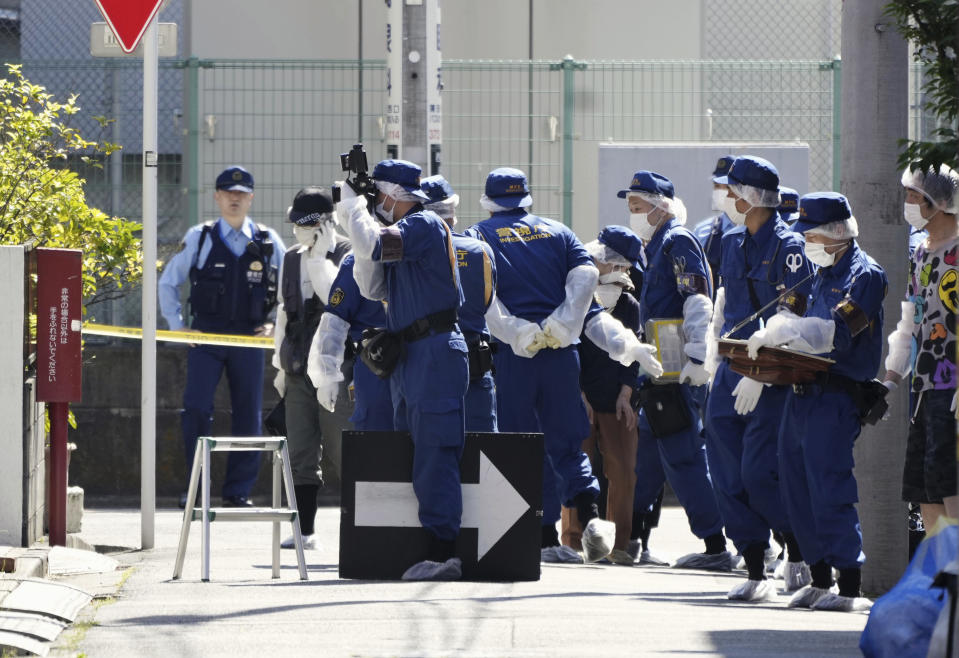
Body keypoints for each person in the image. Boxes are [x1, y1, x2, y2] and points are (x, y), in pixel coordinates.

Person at [465, 167, 662, 565]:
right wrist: (627, 345)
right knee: (568, 445)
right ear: (527, 197)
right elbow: (587, 291)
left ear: (488, 201)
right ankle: (589, 518)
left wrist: (518, 331)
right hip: (561, 355)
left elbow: (481, 299)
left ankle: (536, 535)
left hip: (516, 358)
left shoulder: (476, 238)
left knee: (520, 444)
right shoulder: (559, 233)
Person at [748, 191, 887, 612]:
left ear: (836, 233)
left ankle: (849, 583)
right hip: (801, 389)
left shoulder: (866, 275)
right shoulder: (817, 270)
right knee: (795, 485)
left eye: (811, 235)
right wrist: (773, 329)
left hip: (836, 394)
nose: (806, 243)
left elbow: (837, 333)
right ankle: (820, 576)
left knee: (830, 485)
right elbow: (790, 310)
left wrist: (785, 333)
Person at [335, 159, 468, 581]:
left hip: (433, 351)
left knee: (434, 450)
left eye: (378, 195)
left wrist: (356, 207)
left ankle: (443, 549)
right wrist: (361, 212)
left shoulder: (424, 225)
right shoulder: (400, 236)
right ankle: (418, 547)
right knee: (409, 449)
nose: (376, 203)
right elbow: (372, 284)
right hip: (409, 352)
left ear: (393, 195)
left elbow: (374, 245)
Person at [702, 156, 814, 599]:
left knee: (759, 472)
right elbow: (725, 306)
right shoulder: (731, 241)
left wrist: (763, 372)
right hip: (732, 367)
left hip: (771, 371)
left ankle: (798, 546)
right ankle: (752, 566)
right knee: (724, 470)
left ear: (751, 198)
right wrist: (714, 362)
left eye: (732, 191)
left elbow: (794, 313)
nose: (726, 198)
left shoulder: (790, 246)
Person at [620, 170, 732, 572]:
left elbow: (697, 300)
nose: (632, 213)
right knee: (648, 460)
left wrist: (699, 359)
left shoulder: (678, 240)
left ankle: (716, 544)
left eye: (638, 206)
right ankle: (631, 540)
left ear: (659, 206)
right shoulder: (659, 245)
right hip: (659, 369)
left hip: (676, 370)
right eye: (630, 206)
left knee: (684, 458)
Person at [158, 165, 286, 508]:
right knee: (196, 409)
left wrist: (276, 323)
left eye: (241, 194)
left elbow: (292, 288)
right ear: (217, 197)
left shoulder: (268, 240)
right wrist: (177, 325)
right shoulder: (200, 236)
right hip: (206, 339)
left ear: (251, 198)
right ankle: (196, 488)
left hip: (248, 339)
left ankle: (237, 492)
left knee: (249, 414)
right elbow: (168, 282)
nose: (235, 199)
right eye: (228, 193)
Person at [271, 187, 351, 549]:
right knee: (301, 450)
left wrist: (321, 258)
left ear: (324, 223)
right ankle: (304, 530)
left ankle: (359, 528)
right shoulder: (290, 258)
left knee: (344, 449)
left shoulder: (348, 254)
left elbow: (336, 299)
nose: (298, 232)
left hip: (337, 370)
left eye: (307, 225)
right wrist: (279, 366)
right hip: (298, 368)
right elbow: (283, 315)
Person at [562, 226, 644, 565]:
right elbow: (569, 347)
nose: (621, 275)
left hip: (616, 398)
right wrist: (577, 393)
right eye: (617, 268)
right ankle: (572, 542)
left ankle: (618, 546)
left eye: (625, 271)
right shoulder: (578, 294)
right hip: (581, 394)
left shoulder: (629, 305)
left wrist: (627, 393)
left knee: (623, 470)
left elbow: (633, 354)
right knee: (576, 466)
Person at [884, 164, 959, 532]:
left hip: (954, 386)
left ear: (938, 203)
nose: (908, 203)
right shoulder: (920, 252)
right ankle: (942, 577)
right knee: (925, 485)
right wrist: (892, 376)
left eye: (915, 196)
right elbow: (909, 320)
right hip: (925, 387)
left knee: (952, 482)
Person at [420, 175, 498, 431]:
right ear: (453, 211)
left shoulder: (411, 254)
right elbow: (488, 301)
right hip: (474, 360)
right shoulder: (480, 251)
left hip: (425, 364)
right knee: (483, 450)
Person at [692, 155, 736, 295]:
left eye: (726, 186)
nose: (720, 191)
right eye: (716, 186)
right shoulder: (702, 231)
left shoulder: (752, 229)